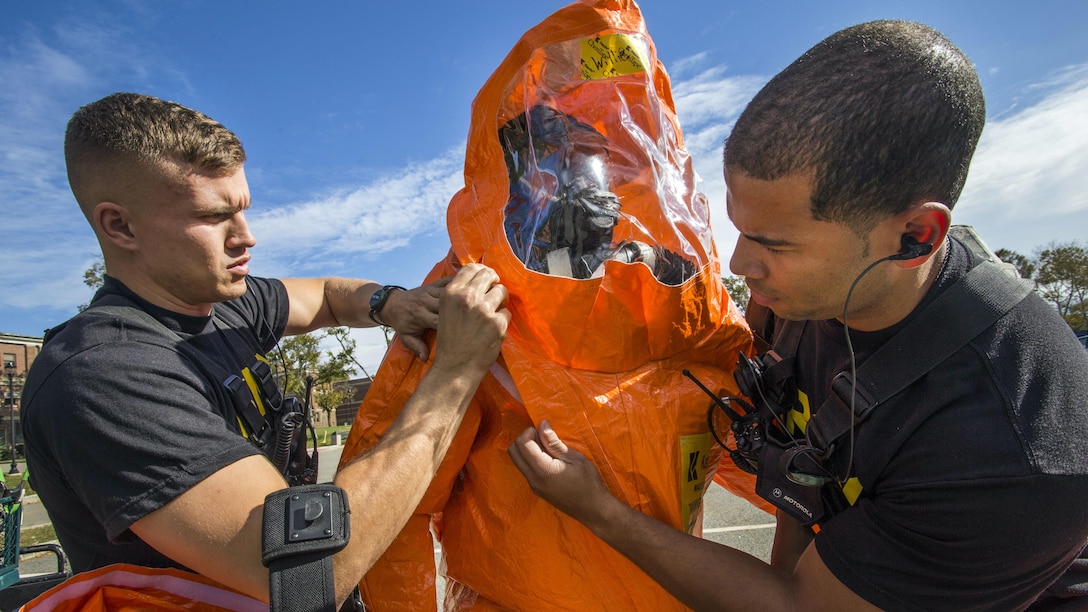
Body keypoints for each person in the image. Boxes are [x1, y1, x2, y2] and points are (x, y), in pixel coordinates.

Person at [510, 20, 1088, 610]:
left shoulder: (1007, 450)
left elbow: (800, 607)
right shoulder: (815, 293)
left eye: (775, 244)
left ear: (915, 235)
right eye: (739, 231)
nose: (742, 266)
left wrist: (602, 512)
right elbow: (805, 449)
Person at [21, 92, 510, 608]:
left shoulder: (224, 303)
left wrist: (391, 303)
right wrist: (456, 373)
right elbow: (310, 569)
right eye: (214, 217)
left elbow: (326, 296)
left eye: (244, 209)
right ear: (120, 226)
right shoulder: (103, 374)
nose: (246, 237)